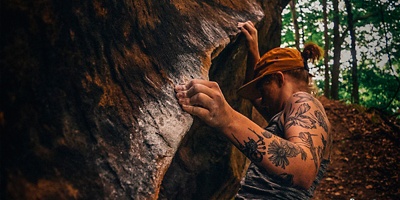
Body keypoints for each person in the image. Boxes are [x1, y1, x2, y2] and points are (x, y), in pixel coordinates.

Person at [175, 21, 332, 199]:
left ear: (279, 78)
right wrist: (253, 51)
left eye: (262, 87)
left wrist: (228, 119)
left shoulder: (304, 102)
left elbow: (304, 170)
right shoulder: (285, 116)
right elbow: (254, 98)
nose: (261, 100)